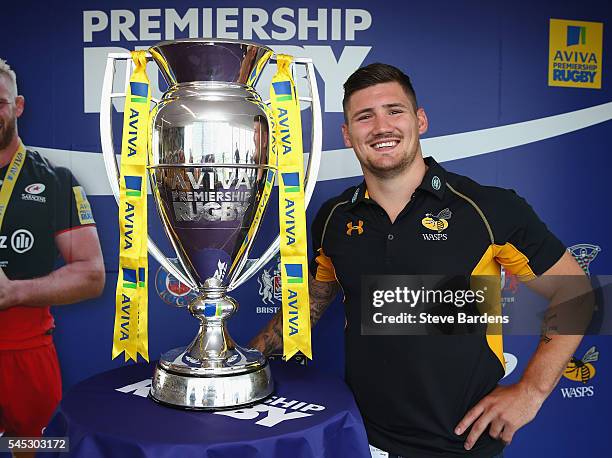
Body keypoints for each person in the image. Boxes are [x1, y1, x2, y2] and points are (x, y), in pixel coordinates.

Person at [250, 63, 589, 457]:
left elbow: (577, 293)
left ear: (420, 120)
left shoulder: (488, 208)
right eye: (364, 117)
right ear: (347, 135)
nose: (381, 127)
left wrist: (532, 391)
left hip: (462, 443)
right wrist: (240, 362)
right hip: (361, 438)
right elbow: (308, 306)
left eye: (394, 111)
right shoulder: (335, 217)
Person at [0, 58, 105, 440]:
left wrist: (15, 291)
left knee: (39, 452)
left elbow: (92, 275)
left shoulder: (54, 181)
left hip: (25, 353)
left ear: (18, 106)